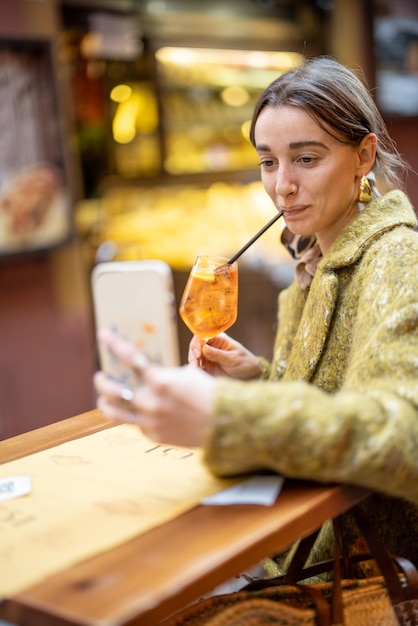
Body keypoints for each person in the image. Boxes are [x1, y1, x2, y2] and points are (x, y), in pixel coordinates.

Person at [94, 56, 418, 575]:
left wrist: (228, 416)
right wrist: (258, 378)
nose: (281, 186)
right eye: (269, 162)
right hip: (288, 549)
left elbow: (403, 440)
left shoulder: (398, 261)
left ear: (363, 155)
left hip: (355, 580)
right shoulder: (312, 260)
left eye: (306, 159)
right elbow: (330, 402)